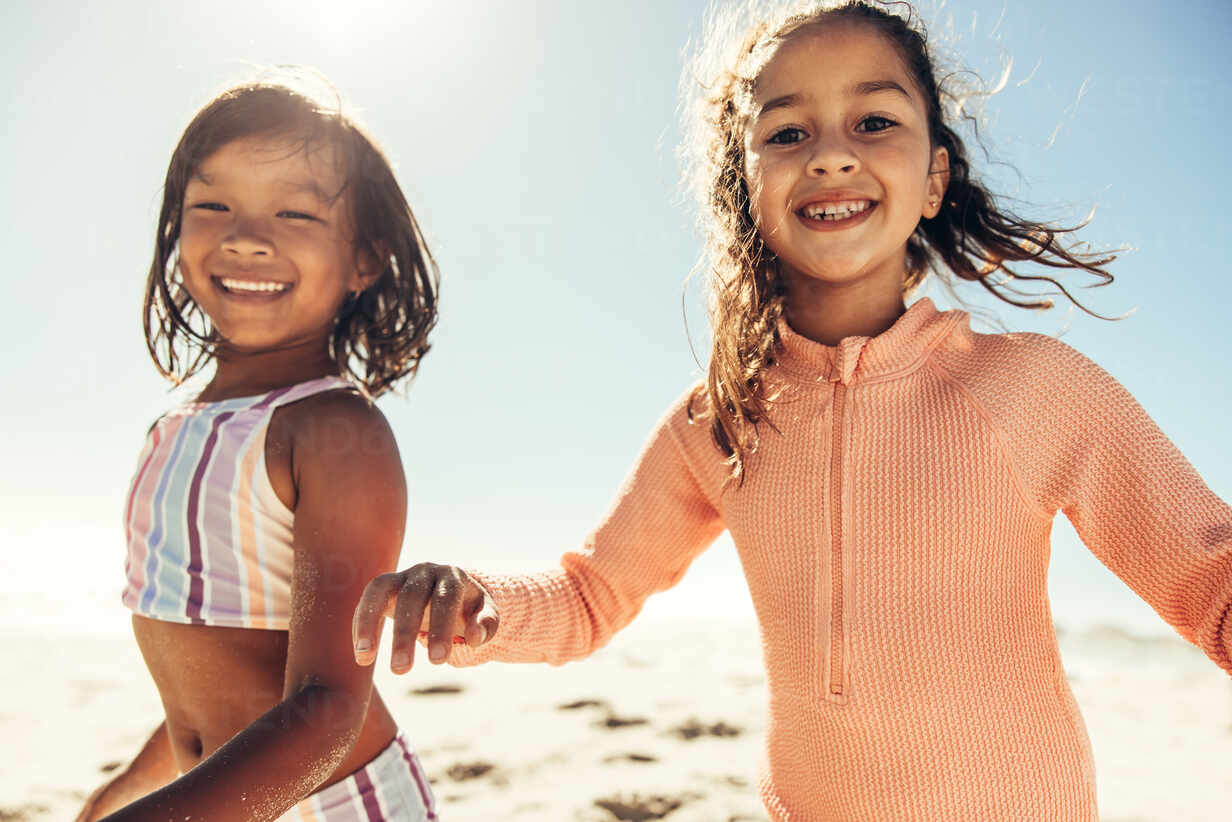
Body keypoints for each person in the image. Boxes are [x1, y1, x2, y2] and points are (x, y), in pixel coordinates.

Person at [351, 2, 1232, 820]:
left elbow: (1208, 580)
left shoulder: (1033, 387)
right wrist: (477, 605)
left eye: (874, 121)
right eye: (787, 131)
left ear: (934, 180)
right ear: (746, 186)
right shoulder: (721, 419)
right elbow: (592, 596)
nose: (832, 154)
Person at [78, 77, 442, 821]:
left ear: (364, 259)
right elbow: (211, 681)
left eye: (296, 212)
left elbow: (328, 706)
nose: (246, 236)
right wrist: (125, 791)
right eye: (213, 205)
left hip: (340, 804)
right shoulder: (176, 427)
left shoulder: (335, 432)